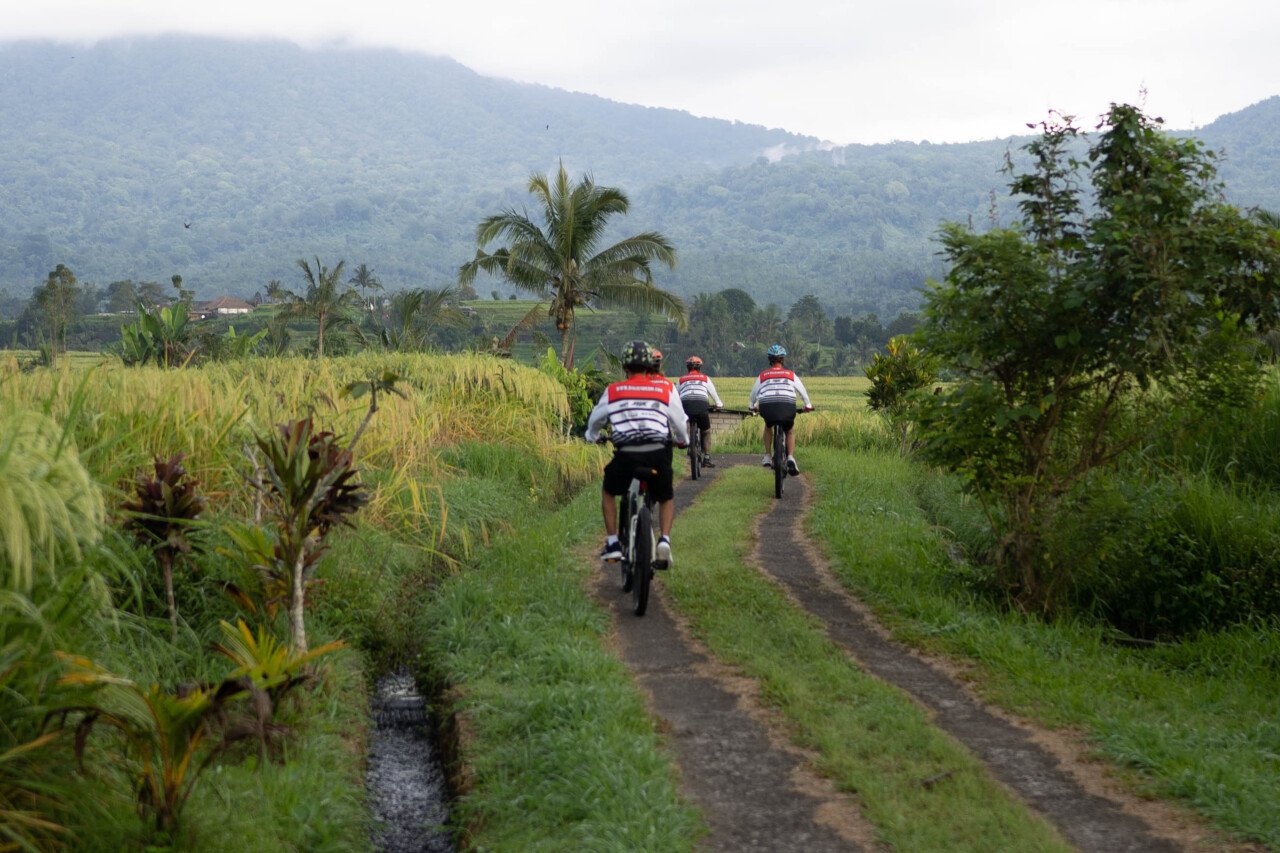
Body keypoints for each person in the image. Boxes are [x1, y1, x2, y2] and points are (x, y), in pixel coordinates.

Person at [585, 340, 689, 569]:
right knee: (665, 497)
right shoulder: (664, 389)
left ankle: (613, 542)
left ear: (625, 366)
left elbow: (595, 422)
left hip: (627, 455)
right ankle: (664, 540)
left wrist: (592, 436)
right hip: (657, 453)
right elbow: (680, 423)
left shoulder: (613, 391)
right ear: (650, 365)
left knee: (609, 490)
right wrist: (683, 441)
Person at [748, 344, 813, 474]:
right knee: (789, 430)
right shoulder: (791, 374)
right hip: (787, 407)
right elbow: (802, 392)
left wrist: (752, 406)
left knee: (768, 426)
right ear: (782, 359)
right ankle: (790, 457)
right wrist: (808, 405)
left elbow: (753, 395)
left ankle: (767, 456)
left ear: (769, 360)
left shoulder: (763, 375)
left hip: (768, 408)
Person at [676, 355, 724, 467]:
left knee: (686, 422)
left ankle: (688, 443)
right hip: (701, 405)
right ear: (700, 368)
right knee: (706, 431)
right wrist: (718, 404)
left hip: (686, 405)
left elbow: (676, 396)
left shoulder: (681, 379)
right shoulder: (705, 378)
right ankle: (706, 458)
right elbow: (715, 396)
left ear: (687, 368)